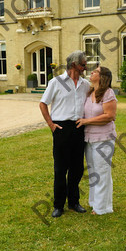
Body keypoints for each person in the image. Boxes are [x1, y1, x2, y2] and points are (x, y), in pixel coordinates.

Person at [39, 51, 90, 218]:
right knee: (60, 169)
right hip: (61, 128)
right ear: (74, 65)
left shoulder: (85, 85)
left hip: (79, 127)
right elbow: (43, 104)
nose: (85, 67)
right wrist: (51, 125)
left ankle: (74, 202)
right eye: (83, 64)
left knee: (76, 169)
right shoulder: (56, 82)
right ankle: (58, 205)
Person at [76, 66, 117, 215]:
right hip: (89, 139)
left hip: (104, 139)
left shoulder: (108, 93)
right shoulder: (90, 93)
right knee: (94, 173)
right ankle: (95, 203)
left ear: (102, 77)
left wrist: (86, 122)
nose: (92, 72)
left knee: (102, 173)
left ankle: (102, 208)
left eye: (96, 71)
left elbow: (109, 116)